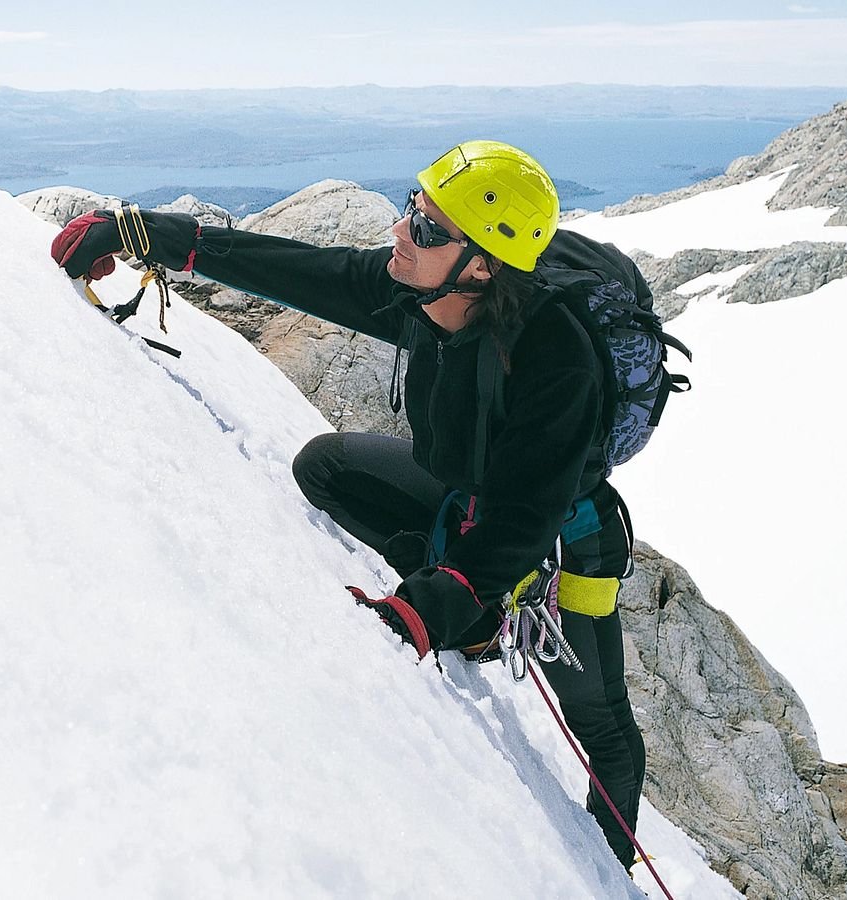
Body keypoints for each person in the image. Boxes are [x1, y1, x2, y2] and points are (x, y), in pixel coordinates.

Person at [50, 140, 648, 871]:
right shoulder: (422, 290)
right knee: (325, 468)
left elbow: (524, 518)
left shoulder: (558, 359)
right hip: (471, 499)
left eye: (427, 230)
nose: (401, 233)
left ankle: (612, 870)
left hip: (560, 536)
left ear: (484, 264)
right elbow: (304, 272)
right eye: (411, 210)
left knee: (604, 728)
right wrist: (147, 234)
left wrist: (429, 606)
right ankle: (479, 614)